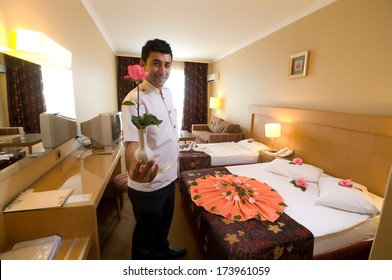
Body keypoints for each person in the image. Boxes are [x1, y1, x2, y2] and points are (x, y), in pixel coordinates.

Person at [121, 39, 187, 260]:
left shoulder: (167, 92)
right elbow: (131, 143)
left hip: (170, 177)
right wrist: (134, 167)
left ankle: (163, 251)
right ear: (143, 64)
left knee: (163, 227)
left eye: (167, 65)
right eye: (156, 63)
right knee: (144, 238)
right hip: (149, 182)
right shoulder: (134, 100)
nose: (163, 70)